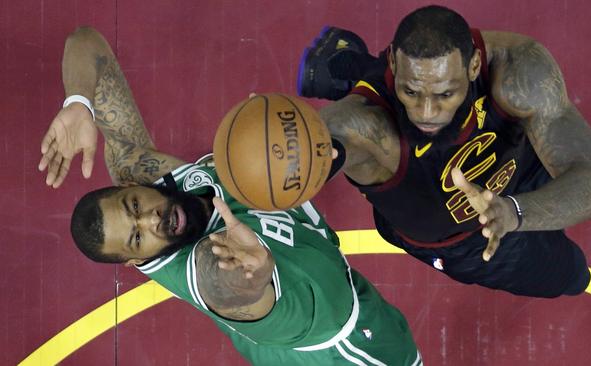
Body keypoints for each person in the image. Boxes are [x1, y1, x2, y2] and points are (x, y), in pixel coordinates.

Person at [38, 26, 422, 365]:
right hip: (348, 349)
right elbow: (223, 287)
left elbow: (84, 41)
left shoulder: (140, 169)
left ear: (130, 187)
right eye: (138, 237)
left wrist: (78, 104)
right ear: (134, 260)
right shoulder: (206, 267)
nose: (151, 221)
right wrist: (252, 277)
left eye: (135, 207)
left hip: (315, 298)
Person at [297, 5, 591, 298]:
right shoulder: (367, 126)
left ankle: (350, 68)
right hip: (464, 239)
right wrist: (274, 147)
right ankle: (358, 75)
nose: (426, 112)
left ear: (474, 66)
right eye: (410, 92)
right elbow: (318, 145)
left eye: (445, 93)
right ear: (393, 61)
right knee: (573, 275)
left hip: (518, 164)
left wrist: (512, 212)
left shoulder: (518, 68)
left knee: (563, 184)